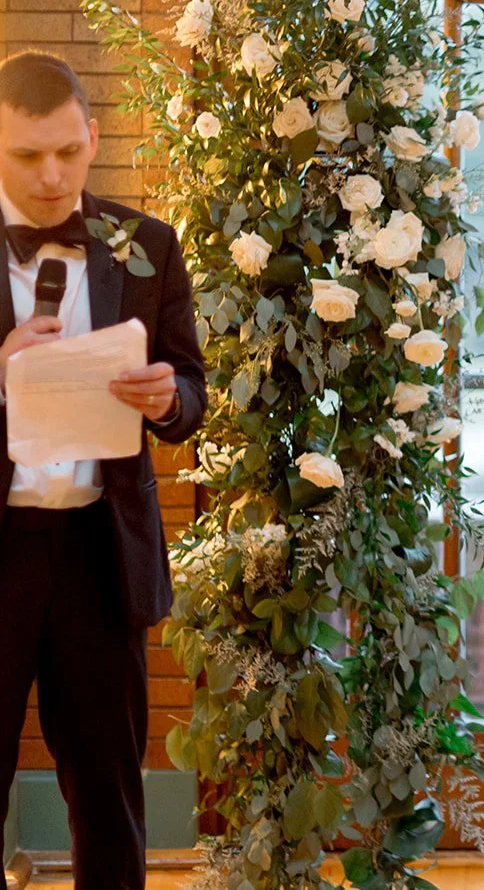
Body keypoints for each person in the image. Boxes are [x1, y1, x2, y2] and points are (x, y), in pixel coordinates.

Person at [0, 52, 206, 888]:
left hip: (100, 552)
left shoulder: (149, 245)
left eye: (66, 151)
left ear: (93, 136)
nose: (51, 175)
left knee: (111, 792)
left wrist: (168, 402)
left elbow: (193, 386)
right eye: (25, 156)